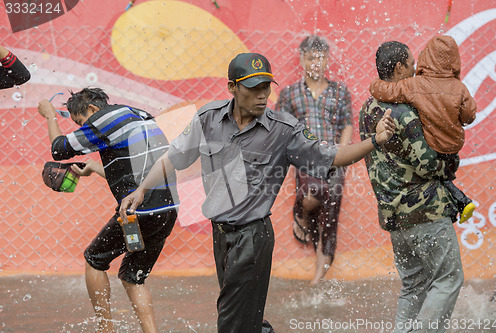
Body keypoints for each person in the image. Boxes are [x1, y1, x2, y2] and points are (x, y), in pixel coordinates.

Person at [119, 52, 396, 333]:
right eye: (253, 88)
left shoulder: (283, 130)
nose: (262, 95)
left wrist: (376, 140)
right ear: (232, 87)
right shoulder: (207, 119)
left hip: (252, 238)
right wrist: (142, 189)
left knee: (231, 320)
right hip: (221, 235)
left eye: (266, 87)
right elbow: (172, 158)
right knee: (246, 318)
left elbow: (332, 155)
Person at [37, 88, 179, 333]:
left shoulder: (104, 119)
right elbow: (141, 174)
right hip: (167, 209)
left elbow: (59, 149)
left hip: (138, 210)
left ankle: (105, 329)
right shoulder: (138, 116)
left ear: (92, 109)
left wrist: (50, 116)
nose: (83, 128)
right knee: (133, 276)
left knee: (94, 259)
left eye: (81, 122)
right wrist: (94, 167)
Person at [359, 41, 464, 332]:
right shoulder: (405, 111)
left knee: (413, 285)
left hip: (393, 217)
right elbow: (429, 165)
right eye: (411, 63)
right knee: (447, 280)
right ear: (398, 68)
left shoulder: (367, 108)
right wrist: (451, 160)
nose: (416, 67)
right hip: (425, 212)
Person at [369, 35, 476, 223]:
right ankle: (460, 202)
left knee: (435, 174)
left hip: (432, 146)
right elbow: (469, 115)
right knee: (445, 176)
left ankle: (456, 205)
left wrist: (374, 84)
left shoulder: (415, 85)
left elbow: (388, 91)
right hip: (453, 148)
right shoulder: (460, 88)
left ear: (426, 58)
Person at [276, 35, 353, 285]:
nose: (316, 63)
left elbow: (347, 125)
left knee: (330, 218)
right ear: (302, 59)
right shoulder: (289, 94)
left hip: (335, 159)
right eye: (310, 58)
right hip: (306, 159)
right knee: (311, 196)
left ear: (327, 59)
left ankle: (317, 279)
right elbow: (282, 129)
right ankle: (300, 212)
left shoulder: (340, 92)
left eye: (320, 58)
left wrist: (340, 154)